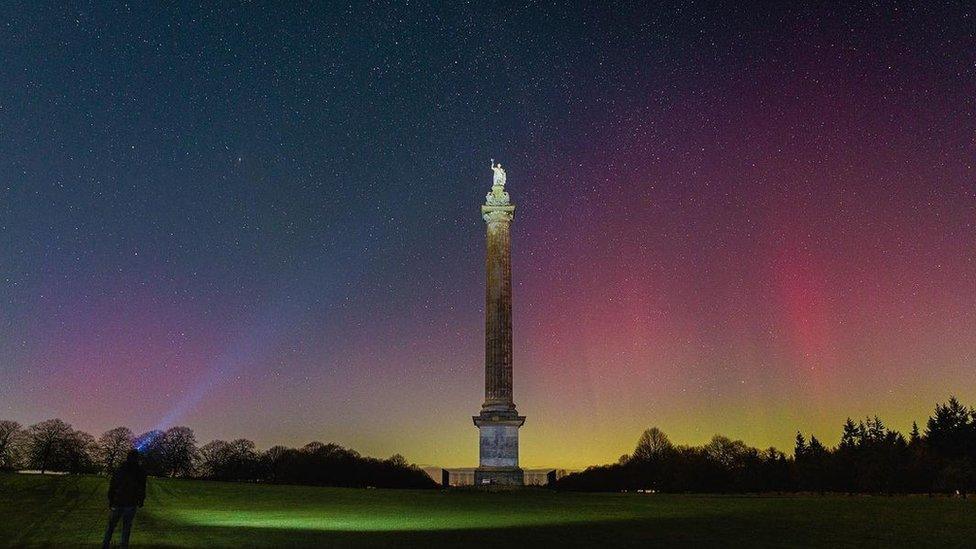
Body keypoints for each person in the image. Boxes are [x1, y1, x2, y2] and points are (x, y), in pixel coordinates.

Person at [101, 449, 147, 548]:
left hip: (117, 502)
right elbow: (142, 487)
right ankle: (123, 546)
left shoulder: (120, 469)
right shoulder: (140, 471)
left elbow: (112, 485)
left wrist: (111, 500)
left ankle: (105, 545)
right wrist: (141, 500)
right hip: (131, 503)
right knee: (126, 527)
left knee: (111, 526)